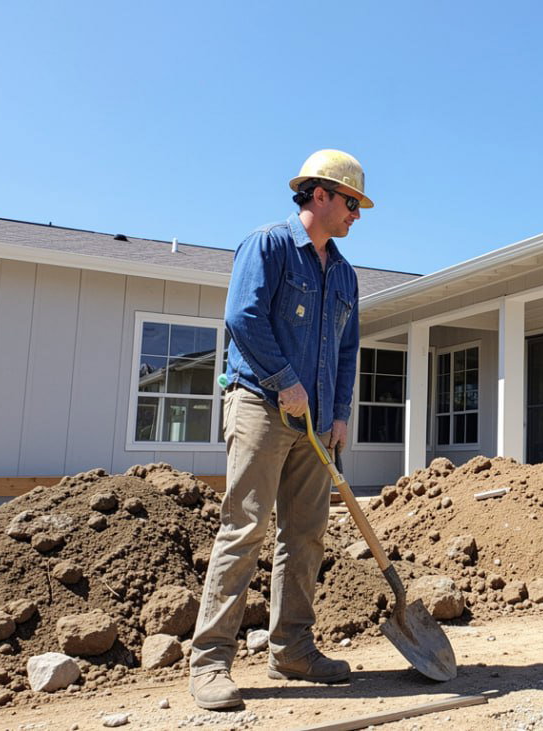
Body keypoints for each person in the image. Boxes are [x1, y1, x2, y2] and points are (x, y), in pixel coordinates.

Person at [188, 149, 370, 710]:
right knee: (244, 528)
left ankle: (292, 648)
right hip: (261, 406)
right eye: (351, 203)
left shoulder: (344, 274)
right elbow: (243, 317)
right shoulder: (267, 246)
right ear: (320, 194)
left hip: (316, 424)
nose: (355, 215)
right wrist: (285, 380)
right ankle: (210, 662)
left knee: (306, 534)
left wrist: (339, 414)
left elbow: (346, 350)